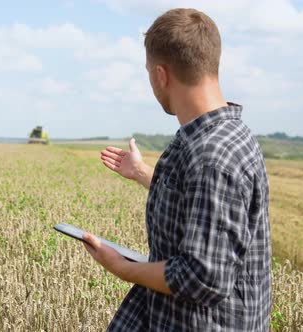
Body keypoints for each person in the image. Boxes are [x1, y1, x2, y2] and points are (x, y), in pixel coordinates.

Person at [81, 8, 272, 331]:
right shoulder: (217, 135)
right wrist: (142, 172)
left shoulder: (213, 156)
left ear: (160, 75)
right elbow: (200, 204)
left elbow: (203, 277)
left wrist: (121, 267)